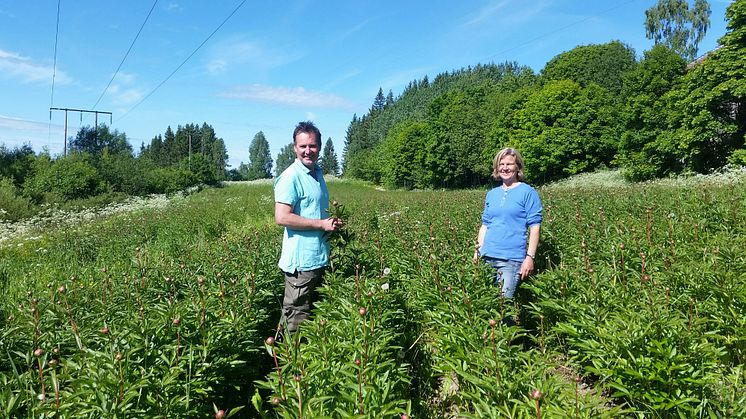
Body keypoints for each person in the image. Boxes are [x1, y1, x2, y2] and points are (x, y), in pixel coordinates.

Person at [274, 121, 343, 334]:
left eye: (312, 146)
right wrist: (320, 224)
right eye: (303, 146)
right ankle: (288, 364)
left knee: (310, 315)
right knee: (296, 317)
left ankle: (299, 362)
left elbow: (314, 211)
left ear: (319, 147)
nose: (307, 151)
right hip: (301, 264)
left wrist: (330, 223)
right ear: (294, 147)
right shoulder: (290, 177)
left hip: (319, 257)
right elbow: (282, 217)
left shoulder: (317, 173)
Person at [474, 147, 542, 302]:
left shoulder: (528, 192)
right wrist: (477, 251)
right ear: (497, 168)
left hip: (511, 260)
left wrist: (530, 257)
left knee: (503, 305)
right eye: (501, 164)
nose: (505, 168)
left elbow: (535, 227)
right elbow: (485, 225)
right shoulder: (492, 194)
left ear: (517, 166)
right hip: (487, 256)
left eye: (509, 164)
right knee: (486, 304)